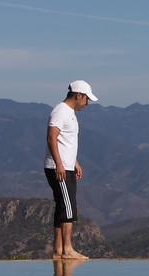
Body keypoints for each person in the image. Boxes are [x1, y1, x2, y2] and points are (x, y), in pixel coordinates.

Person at [44, 80, 98, 260]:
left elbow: (64, 142)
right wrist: (59, 164)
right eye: (86, 99)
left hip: (66, 165)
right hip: (59, 168)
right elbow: (52, 138)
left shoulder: (69, 113)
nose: (87, 103)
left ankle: (58, 250)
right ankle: (67, 249)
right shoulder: (61, 111)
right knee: (68, 208)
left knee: (62, 206)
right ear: (78, 95)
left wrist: (74, 161)